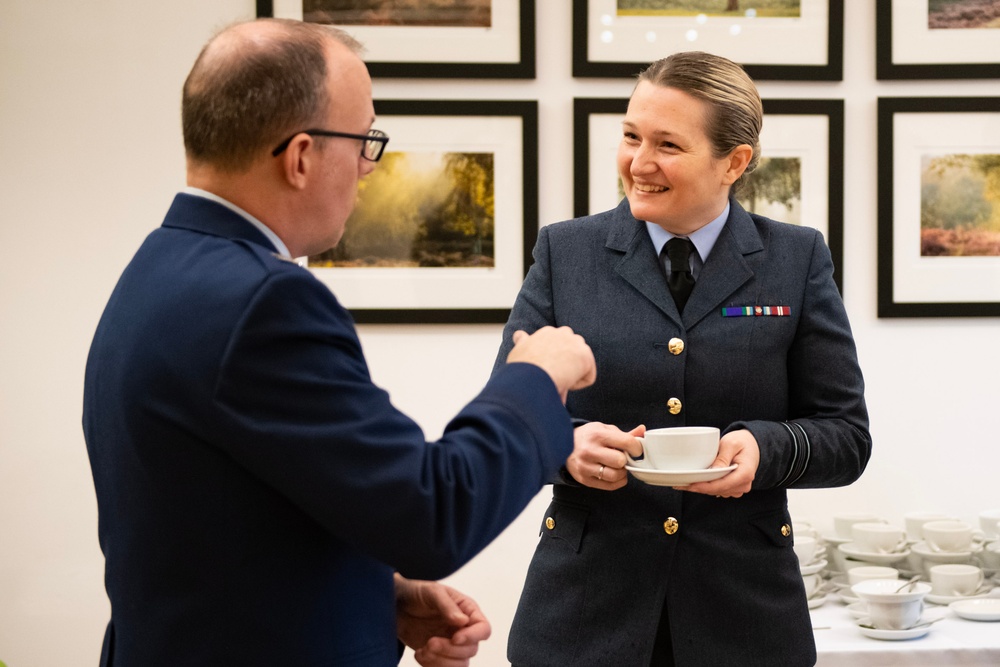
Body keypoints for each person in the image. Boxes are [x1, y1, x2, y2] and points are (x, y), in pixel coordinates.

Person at [82, 18, 597, 667]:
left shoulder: (156, 267)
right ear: (300, 157)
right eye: (364, 141)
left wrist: (375, 594)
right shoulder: (265, 302)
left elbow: (219, 523)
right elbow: (432, 512)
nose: (367, 167)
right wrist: (536, 376)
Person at [493, 51, 872, 666]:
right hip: (584, 616)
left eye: (667, 144)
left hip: (744, 618)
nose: (639, 163)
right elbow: (507, 420)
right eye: (631, 136)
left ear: (734, 162)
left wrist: (764, 449)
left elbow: (847, 437)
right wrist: (567, 446)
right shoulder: (566, 252)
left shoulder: (796, 259)